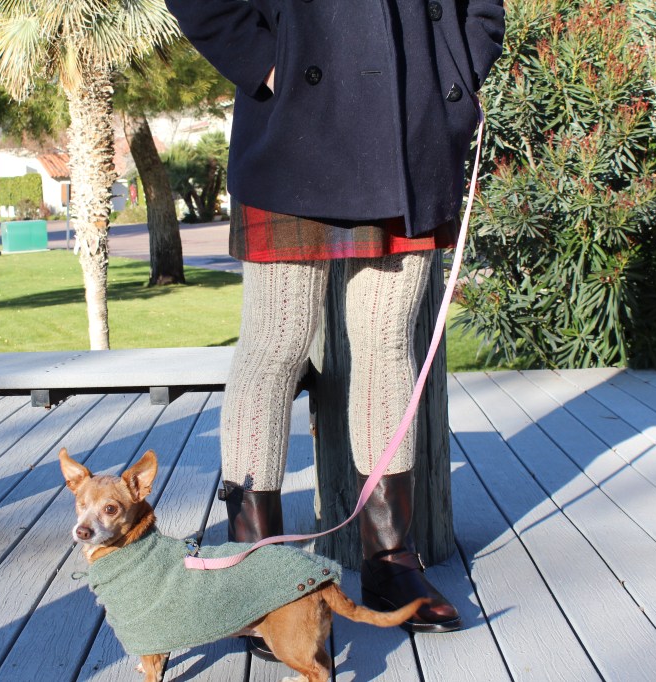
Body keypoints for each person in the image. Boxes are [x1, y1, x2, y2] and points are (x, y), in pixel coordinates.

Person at [165, 0, 505, 642]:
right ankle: (254, 573)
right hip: (297, 121)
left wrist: (456, 69)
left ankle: (390, 559)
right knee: (276, 343)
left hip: (412, 120)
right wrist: (268, 63)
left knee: (387, 342)